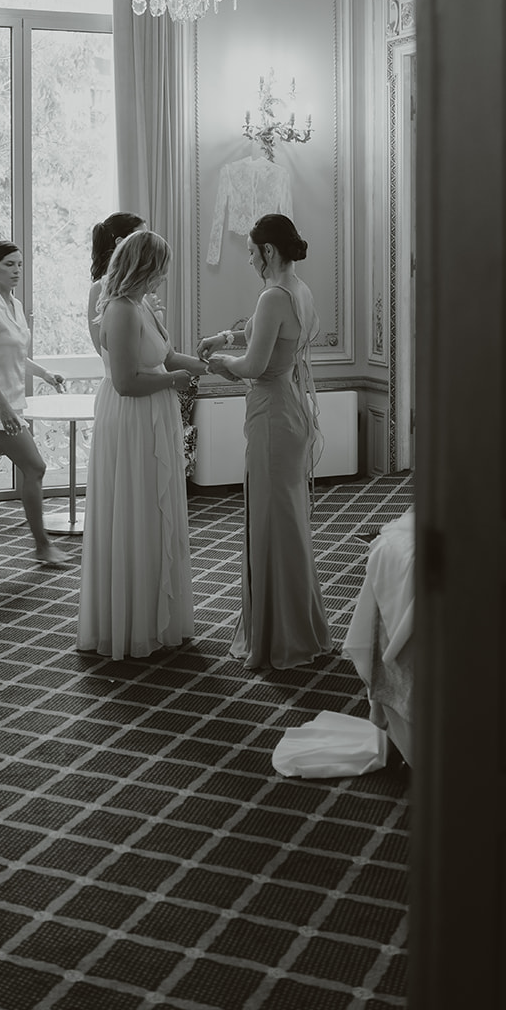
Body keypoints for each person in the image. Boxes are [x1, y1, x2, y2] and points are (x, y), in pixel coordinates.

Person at [199, 214, 332, 670]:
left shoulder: (274, 295)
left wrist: (220, 364)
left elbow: (254, 365)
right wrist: (228, 336)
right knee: (285, 521)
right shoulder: (299, 289)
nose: (250, 258)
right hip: (289, 408)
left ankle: (280, 636)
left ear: (268, 251)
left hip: (272, 414)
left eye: (253, 251)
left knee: (272, 523)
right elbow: (269, 339)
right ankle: (297, 625)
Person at [77, 230, 207, 658]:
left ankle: (156, 613)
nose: (166, 276)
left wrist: (212, 367)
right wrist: (175, 382)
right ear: (146, 267)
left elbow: (166, 357)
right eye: (163, 267)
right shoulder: (119, 309)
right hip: (131, 420)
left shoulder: (142, 306)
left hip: (155, 412)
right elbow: (126, 381)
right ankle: (130, 621)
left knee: (157, 508)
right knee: (136, 507)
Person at [0, 240, 71, 569]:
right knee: (35, 468)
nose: (16, 271)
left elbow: (17, 356)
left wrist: (46, 374)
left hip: (8, 402)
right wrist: (5, 409)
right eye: (9, 265)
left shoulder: (14, 304)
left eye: (20, 264)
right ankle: (42, 546)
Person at [87, 212, 146, 356]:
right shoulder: (99, 289)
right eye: (141, 238)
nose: (148, 243)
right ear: (120, 242)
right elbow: (102, 349)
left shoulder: (144, 284)